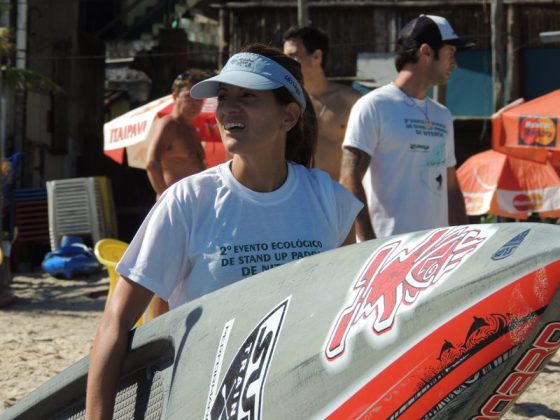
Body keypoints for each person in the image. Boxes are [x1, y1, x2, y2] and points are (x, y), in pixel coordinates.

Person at [85, 43, 362, 419]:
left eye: (247, 96)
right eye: (224, 96)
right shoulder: (187, 201)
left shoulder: (331, 201)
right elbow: (115, 324)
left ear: (289, 116)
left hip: (304, 404)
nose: (228, 108)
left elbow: (345, 318)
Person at [340, 14, 470, 241]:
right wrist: (369, 245)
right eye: (451, 53)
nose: (455, 64)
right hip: (387, 254)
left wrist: (464, 241)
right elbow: (348, 179)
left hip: (435, 252)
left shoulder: (442, 115)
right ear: (426, 52)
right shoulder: (373, 105)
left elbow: (450, 188)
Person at [145, 70, 210, 317]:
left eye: (200, 99)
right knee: (162, 276)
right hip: (173, 208)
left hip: (194, 210)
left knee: (186, 273)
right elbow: (151, 162)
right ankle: (154, 327)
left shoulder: (191, 130)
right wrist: (163, 196)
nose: (195, 104)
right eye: (189, 97)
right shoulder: (168, 125)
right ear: (175, 96)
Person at [283, 25, 361, 180]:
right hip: (292, 196)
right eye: (284, 57)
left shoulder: (352, 102)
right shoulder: (282, 102)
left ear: (317, 56)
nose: (286, 63)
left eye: (292, 56)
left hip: (334, 197)